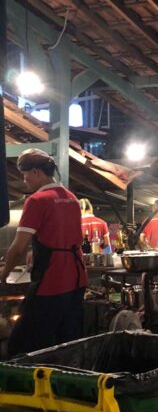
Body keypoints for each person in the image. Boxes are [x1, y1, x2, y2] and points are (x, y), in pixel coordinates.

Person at [0, 149, 88, 356]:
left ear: (37, 172)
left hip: (51, 282)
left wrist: (3, 274)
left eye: (25, 175)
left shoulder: (37, 200)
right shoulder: (72, 198)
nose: (24, 181)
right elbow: (61, 236)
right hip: (77, 280)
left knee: (22, 346)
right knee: (67, 343)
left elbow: (18, 247)